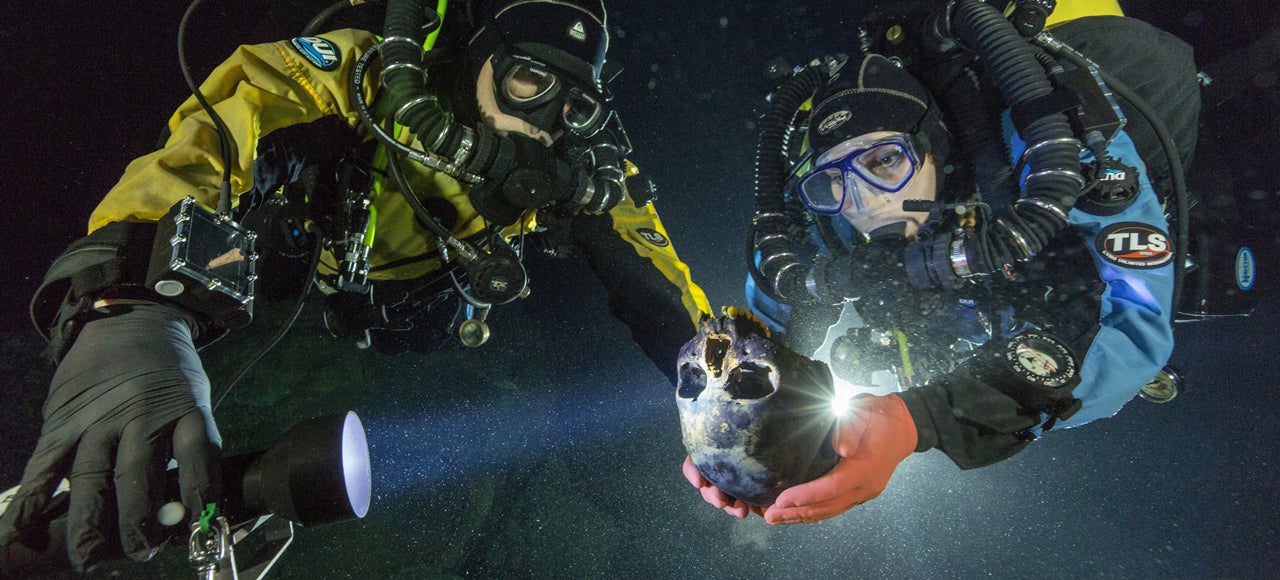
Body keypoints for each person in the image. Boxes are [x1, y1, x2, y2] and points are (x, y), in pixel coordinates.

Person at [1, 0, 710, 573]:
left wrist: (744, 383)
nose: (545, 124)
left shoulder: (574, 162)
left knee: (420, 334)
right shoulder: (357, 78)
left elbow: (653, 268)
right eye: (528, 80)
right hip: (309, 256)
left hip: (426, 297)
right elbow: (226, 126)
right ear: (474, 54)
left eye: (576, 106)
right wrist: (125, 300)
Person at [683, 0, 1199, 524]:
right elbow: (770, 318)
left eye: (887, 161)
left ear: (934, 145)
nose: (866, 200)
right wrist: (726, 419)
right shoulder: (828, 201)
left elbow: (1134, 327)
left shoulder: (1049, 144)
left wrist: (920, 418)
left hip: (1067, 228)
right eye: (835, 179)